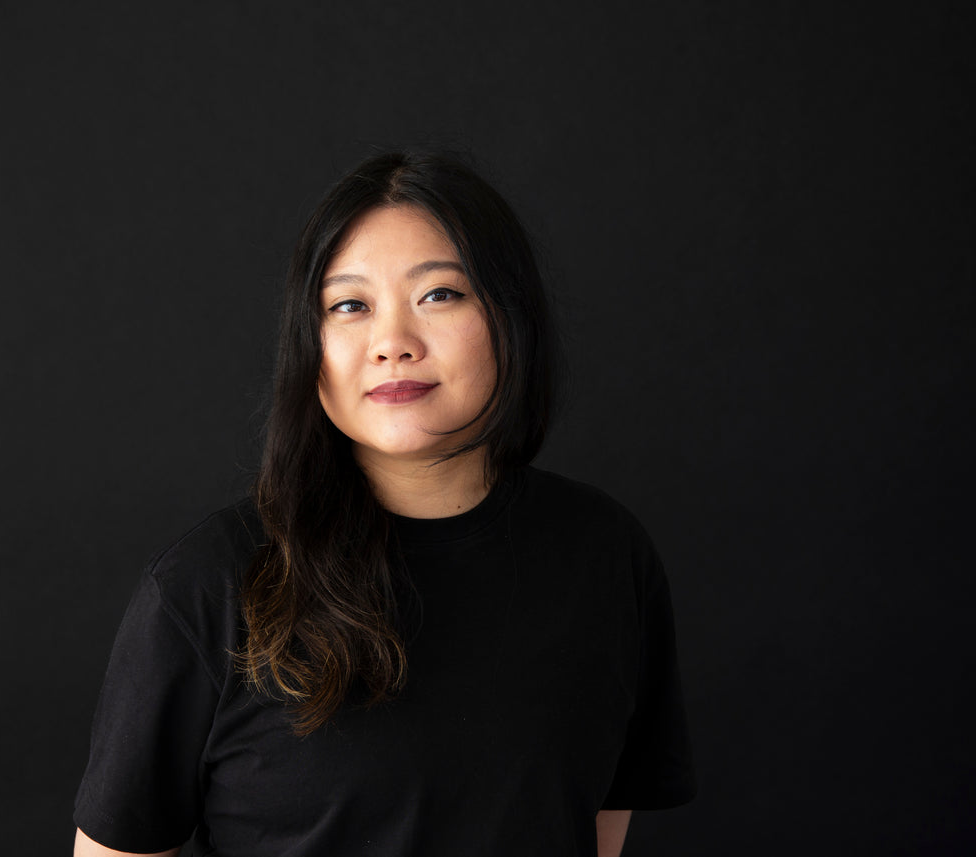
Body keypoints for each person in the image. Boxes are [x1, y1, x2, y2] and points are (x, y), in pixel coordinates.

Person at [73, 151, 695, 857]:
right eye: (350, 306)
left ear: (510, 315)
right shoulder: (208, 585)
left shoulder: (605, 557)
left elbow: (597, 830)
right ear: (310, 347)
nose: (392, 344)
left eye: (440, 295)